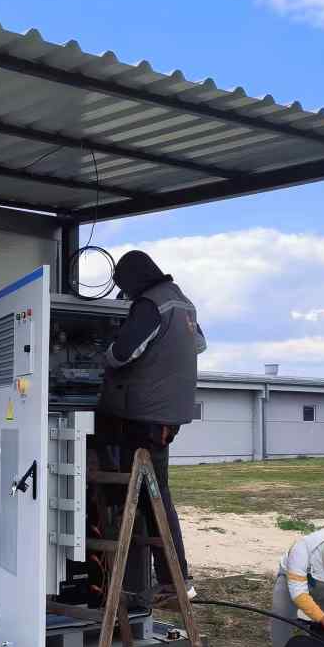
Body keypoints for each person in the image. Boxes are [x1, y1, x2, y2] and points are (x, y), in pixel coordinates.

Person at [97, 250, 205, 605]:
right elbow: (199, 344)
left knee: (149, 493)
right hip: (167, 416)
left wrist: (105, 352)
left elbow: (120, 354)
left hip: (142, 415)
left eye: (124, 286)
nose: (125, 293)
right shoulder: (183, 303)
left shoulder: (150, 304)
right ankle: (171, 577)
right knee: (154, 492)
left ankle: (172, 577)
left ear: (133, 278)